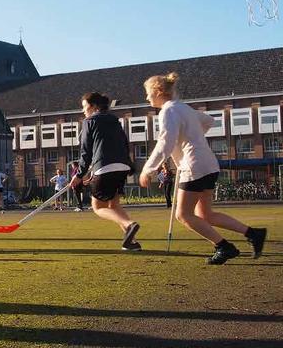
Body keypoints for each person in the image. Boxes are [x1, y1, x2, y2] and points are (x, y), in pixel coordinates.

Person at [139, 73, 267, 265]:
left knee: (183, 215)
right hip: (208, 164)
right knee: (205, 215)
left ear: (158, 92)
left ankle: (224, 247)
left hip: (194, 167)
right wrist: (193, 138)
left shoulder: (168, 110)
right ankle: (254, 234)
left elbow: (165, 143)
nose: (147, 98)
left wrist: (148, 169)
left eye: (148, 93)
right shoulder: (184, 108)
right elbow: (209, 121)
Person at [69, 92, 142, 251]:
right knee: (114, 205)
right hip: (122, 167)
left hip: (104, 167)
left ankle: (130, 224)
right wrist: (128, 164)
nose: (83, 111)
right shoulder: (114, 120)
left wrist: (79, 175)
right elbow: (124, 143)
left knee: (98, 207)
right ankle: (132, 243)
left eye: (84, 107)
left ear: (94, 106)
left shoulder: (89, 121)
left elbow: (85, 152)